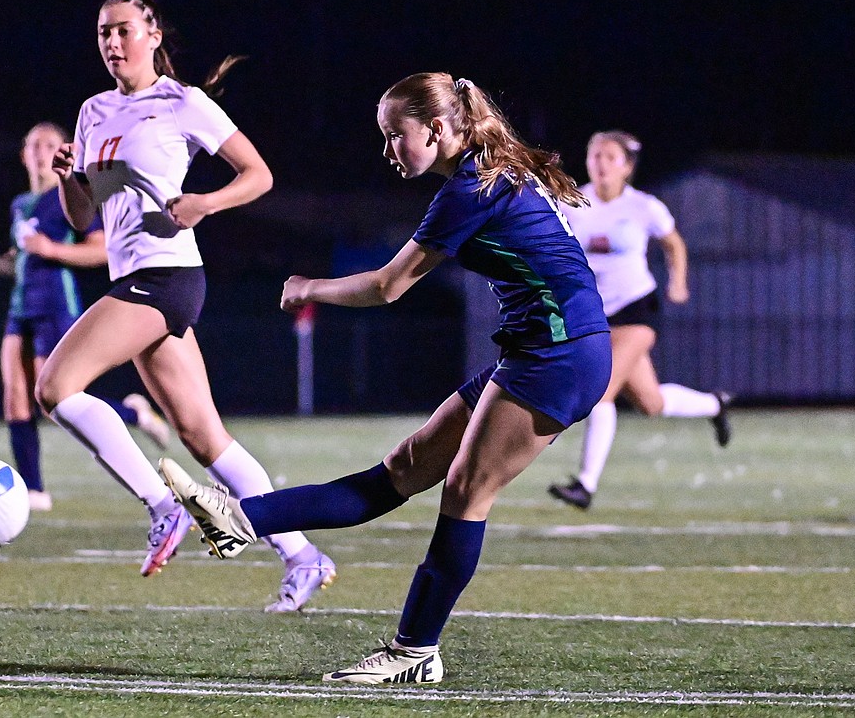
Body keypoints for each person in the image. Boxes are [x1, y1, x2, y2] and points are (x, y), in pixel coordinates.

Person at [160, 72, 612, 683]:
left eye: (394, 135)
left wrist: (307, 288)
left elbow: (387, 286)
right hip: (542, 351)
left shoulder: (470, 187)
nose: (387, 149)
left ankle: (414, 652)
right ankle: (242, 519)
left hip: (561, 355)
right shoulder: (484, 170)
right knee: (402, 470)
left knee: (464, 494)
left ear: (436, 128)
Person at [34, 0, 334, 611]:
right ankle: (303, 555)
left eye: (122, 30)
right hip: (132, 278)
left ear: (153, 37)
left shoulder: (182, 103)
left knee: (54, 388)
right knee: (204, 438)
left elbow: (259, 174)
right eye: (102, 33)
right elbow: (84, 215)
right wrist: (70, 179)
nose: (112, 42)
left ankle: (163, 504)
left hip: (168, 275)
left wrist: (206, 203)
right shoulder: (92, 112)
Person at [0, 121, 171, 512]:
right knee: (14, 398)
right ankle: (33, 490)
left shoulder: (68, 197)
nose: (40, 151)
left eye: (49, 144)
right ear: (23, 153)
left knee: (54, 400)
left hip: (56, 304)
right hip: (21, 306)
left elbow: (100, 250)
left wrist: (51, 249)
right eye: (33, 144)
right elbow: (20, 257)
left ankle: (133, 411)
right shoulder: (20, 204)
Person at [547, 131, 731, 511]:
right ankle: (715, 405)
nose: (600, 163)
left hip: (637, 310)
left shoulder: (644, 207)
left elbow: (674, 244)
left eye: (610, 157)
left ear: (627, 167)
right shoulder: (574, 203)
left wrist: (678, 282)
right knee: (651, 403)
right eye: (594, 155)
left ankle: (585, 485)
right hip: (594, 312)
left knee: (601, 389)